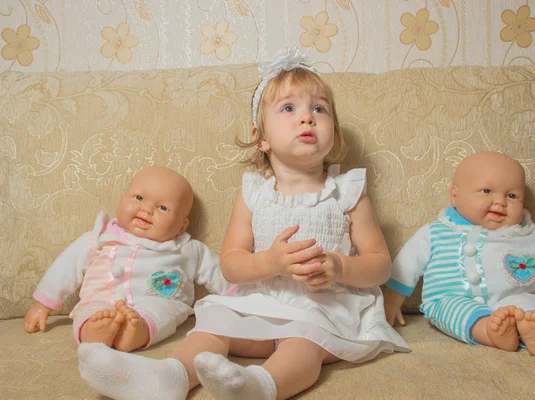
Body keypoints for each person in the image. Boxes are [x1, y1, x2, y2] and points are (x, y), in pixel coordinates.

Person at [77, 48, 408, 400]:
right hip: (261, 300)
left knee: (302, 346)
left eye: (319, 109)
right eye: (288, 109)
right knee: (209, 332)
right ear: (261, 137)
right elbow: (232, 265)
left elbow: (380, 265)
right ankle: (166, 378)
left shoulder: (348, 193)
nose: (307, 118)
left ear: (335, 133)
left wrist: (339, 266)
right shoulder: (253, 193)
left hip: (325, 308)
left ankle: (256, 387)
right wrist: (270, 262)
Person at [384, 152, 535, 358]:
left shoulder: (534, 234)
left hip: (515, 297)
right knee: (453, 311)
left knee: (531, 309)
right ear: (455, 196)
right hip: (452, 298)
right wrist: (392, 301)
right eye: (487, 191)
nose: (500, 202)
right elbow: (408, 263)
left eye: (512, 196)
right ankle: (489, 332)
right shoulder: (435, 232)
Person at [24, 166, 230, 352]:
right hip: (101, 299)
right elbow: (66, 267)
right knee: (91, 311)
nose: (147, 209)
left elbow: (220, 274)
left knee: (164, 312)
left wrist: (242, 299)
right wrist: (43, 305)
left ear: (182, 226)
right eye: (139, 198)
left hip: (158, 302)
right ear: (122, 199)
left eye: (163, 208)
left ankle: (138, 332)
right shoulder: (99, 237)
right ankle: (92, 332)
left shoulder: (187, 249)